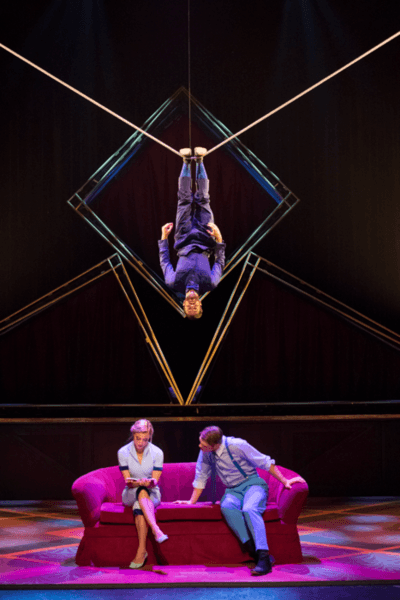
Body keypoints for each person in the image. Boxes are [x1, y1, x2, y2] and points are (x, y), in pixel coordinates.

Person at [176, 426, 305, 576]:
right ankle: (252, 550)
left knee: (250, 509)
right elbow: (201, 475)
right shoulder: (206, 452)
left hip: (253, 484)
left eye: (203, 445)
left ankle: (263, 557)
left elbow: (264, 462)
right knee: (227, 506)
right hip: (233, 490)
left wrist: (284, 481)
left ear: (215, 445)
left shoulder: (237, 445)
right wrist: (191, 502)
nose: (200, 447)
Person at [159, 147, 226, 319]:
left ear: (183, 304)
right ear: (200, 304)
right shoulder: (210, 283)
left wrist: (164, 237)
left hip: (183, 237)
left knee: (184, 200)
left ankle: (186, 162)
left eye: (189, 307)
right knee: (203, 198)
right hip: (206, 238)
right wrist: (218, 237)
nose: (191, 304)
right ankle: (200, 161)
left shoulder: (173, 282)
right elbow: (219, 261)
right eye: (195, 307)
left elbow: (165, 260)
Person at [118, 419, 168, 569]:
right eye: (137, 438)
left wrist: (149, 482)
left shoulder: (157, 452)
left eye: (145, 439)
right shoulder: (123, 452)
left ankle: (141, 551)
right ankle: (156, 529)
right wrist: (137, 482)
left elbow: (155, 481)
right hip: (130, 493)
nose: (140, 442)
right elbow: (127, 481)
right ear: (133, 434)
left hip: (152, 493)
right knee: (140, 490)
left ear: (150, 438)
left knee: (142, 498)